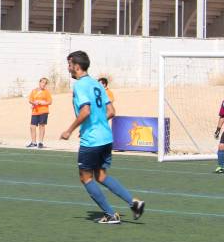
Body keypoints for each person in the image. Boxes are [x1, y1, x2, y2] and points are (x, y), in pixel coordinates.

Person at [59, 50, 145, 224]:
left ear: (76, 66)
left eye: (69, 65)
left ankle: (110, 214)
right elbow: (111, 112)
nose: (68, 69)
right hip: (106, 137)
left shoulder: (81, 85)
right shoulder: (97, 84)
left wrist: (69, 130)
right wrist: (98, 123)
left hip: (92, 140)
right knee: (101, 175)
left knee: (86, 177)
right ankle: (134, 203)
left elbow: (85, 111)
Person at [28, 78, 52, 148]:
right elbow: (30, 100)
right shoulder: (34, 91)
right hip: (35, 111)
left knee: (42, 126)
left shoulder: (46, 92)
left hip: (43, 111)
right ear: (39, 82)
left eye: (45, 83)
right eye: (42, 82)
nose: (43, 84)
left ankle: (40, 142)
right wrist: (34, 102)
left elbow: (50, 102)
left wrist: (42, 103)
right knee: (32, 126)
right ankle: (33, 142)